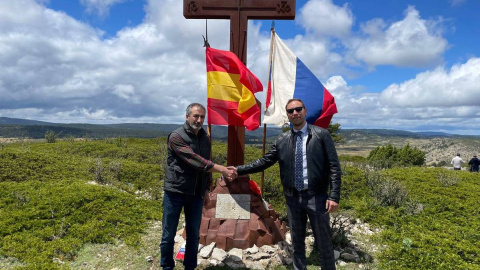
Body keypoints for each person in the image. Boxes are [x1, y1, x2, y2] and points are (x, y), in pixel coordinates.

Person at [235, 98, 341, 270]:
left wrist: (334, 195)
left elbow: (334, 167)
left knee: (324, 241)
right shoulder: (282, 139)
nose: (295, 113)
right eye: (291, 111)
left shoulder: (321, 135)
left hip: (317, 196)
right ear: (288, 115)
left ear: (305, 111)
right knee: (297, 241)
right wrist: (239, 170)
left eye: (298, 109)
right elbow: (265, 161)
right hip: (293, 198)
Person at [160, 103, 237, 270]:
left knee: (194, 235)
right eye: (196, 116)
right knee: (168, 234)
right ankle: (166, 267)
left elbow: (206, 165)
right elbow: (196, 160)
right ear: (187, 116)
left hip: (196, 194)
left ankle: (190, 267)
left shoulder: (204, 137)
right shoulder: (176, 136)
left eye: (202, 116)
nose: (199, 120)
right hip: (175, 191)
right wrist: (222, 169)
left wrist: (207, 188)